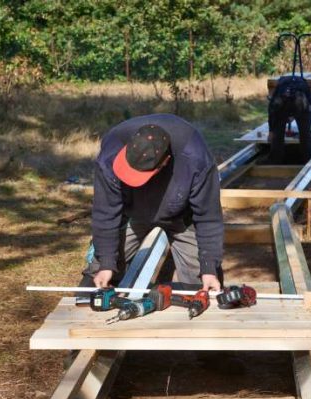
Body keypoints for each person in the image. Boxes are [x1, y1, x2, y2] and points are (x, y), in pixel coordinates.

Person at [84, 114, 223, 291]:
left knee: (200, 288)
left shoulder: (195, 158)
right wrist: (106, 263)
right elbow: (105, 213)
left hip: (181, 217)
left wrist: (209, 267)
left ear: (165, 162)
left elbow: (208, 218)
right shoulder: (111, 151)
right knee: (95, 281)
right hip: (131, 215)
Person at [268, 75, 311, 164]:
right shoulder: (277, 101)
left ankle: (276, 160)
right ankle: (308, 160)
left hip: (295, 102)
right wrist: (271, 131)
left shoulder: (302, 100)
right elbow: (272, 115)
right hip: (293, 102)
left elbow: (271, 111)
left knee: (304, 134)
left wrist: (272, 131)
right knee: (304, 134)